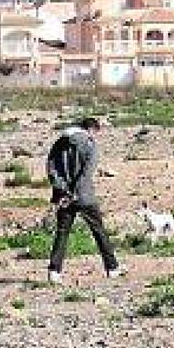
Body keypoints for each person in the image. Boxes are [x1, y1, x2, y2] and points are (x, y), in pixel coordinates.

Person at [45, 117, 124, 284]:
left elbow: (51, 169)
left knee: (62, 233)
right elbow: (87, 174)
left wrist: (62, 190)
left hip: (63, 196)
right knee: (99, 231)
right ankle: (112, 268)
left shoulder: (59, 143)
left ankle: (54, 271)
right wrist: (75, 192)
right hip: (84, 196)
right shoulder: (90, 144)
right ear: (92, 130)